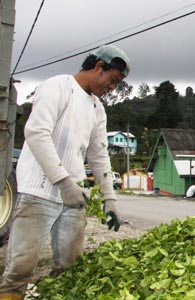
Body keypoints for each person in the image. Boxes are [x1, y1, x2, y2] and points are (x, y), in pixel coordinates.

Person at [0, 45, 130, 299]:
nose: (112, 88)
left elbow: (99, 154)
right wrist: (63, 182)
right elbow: (37, 133)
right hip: (38, 192)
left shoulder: (97, 109)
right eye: (112, 80)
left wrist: (109, 198)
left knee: (70, 269)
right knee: (20, 270)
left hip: (73, 200)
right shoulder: (57, 86)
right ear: (98, 67)